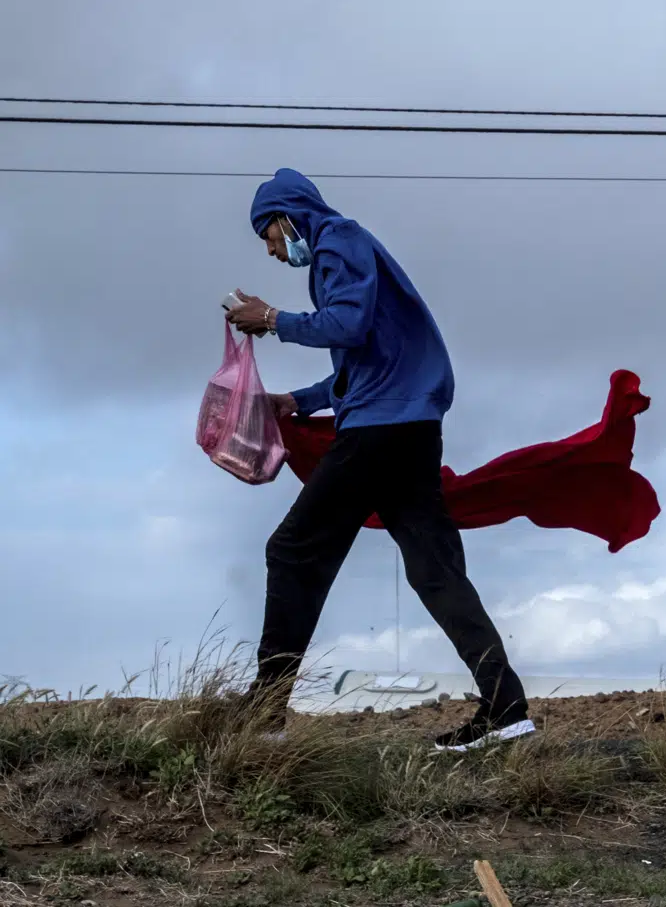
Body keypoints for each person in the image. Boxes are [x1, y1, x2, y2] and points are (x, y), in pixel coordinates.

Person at [225, 168, 532, 749]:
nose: (270, 248)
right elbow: (362, 356)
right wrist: (300, 400)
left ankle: (263, 716)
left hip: (380, 431)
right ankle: (505, 705)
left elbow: (348, 323)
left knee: (292, 552)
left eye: (268, 233)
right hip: (410, 427)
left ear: (291, 214)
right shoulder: (348, 247)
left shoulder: (337, 239)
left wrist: (271, 319)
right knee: (435, 571)